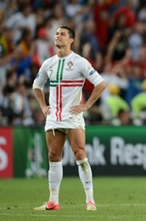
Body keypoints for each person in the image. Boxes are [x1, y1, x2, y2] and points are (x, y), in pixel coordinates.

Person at [32, 26, 106, 211]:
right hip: (53, 118)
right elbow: (36, 86)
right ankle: (53, 201)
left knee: (80, 154)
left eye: (62, 34)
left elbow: (100, 84)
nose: (58, 36)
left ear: (71, 40)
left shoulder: (80, 62)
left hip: (73, 116)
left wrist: (86, 105)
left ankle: (90, 200)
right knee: (53, 156)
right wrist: (42, 106)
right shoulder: (48, 63)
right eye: (56, 34)